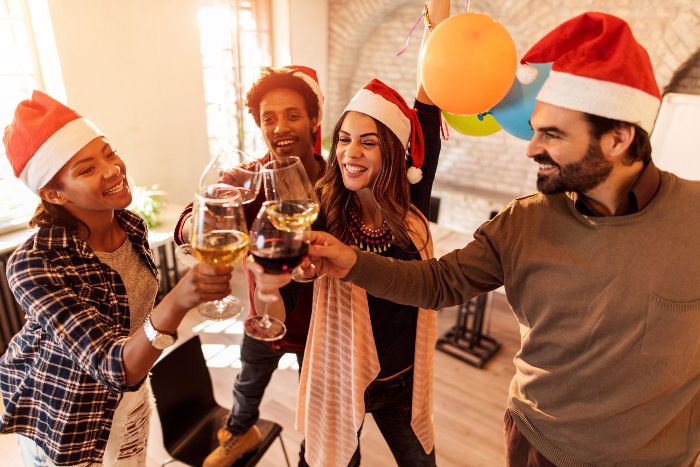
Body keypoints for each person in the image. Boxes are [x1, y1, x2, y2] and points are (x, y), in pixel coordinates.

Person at [306, 12, 700, 467]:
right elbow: (437, 284)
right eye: (535, 129)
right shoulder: (523, 223)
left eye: (551, 134)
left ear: (617, 139)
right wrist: (350, 262)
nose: (530, 147)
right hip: (538, 446)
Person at [249, 4, 448, 466]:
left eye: (368, 141)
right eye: (343, 139)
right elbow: (287, 304)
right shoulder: (319, 211)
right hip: (339, 378)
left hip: (402, 381)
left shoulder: (412, 209)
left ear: (394, 154)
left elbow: (430, 100)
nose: (350, 153)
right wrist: (270, 288)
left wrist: (438, 20)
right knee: (326, 460)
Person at [0, 91, 233, 466]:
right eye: (87, 168)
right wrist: (178, 301)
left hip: (130, 400)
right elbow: (114, 365)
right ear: (53, 193)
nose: (112, 169)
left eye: (108, 153)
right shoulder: (34, 265)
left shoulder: (130, 224)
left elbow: (133, 327)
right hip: (68, 417)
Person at [172, 65, 326, 467]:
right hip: (267, 318)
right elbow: (189, 218)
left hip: (324, 326)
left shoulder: (338, 181)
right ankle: (241, 434)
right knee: (248, 384)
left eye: (292, 115)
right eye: (268, 119)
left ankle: (314, 457)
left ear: (314, 119)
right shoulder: (248, 178)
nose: (280, 127)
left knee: (321, 407)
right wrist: (198, 227)